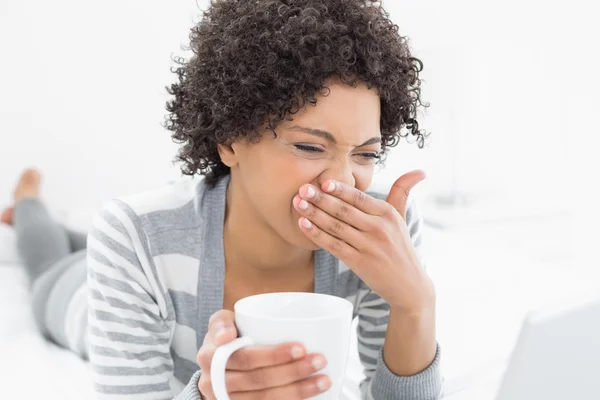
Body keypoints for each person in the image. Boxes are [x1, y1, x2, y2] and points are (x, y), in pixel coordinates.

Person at [0, 0, 443, 398]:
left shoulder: (386, 225)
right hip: (75, 294)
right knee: (45, 258)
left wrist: (415, 303)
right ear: (229, 140)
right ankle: (28, 206)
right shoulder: (128, 234)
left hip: (148, 259)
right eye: (310, 147)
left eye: (365, 154)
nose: (343, 183)